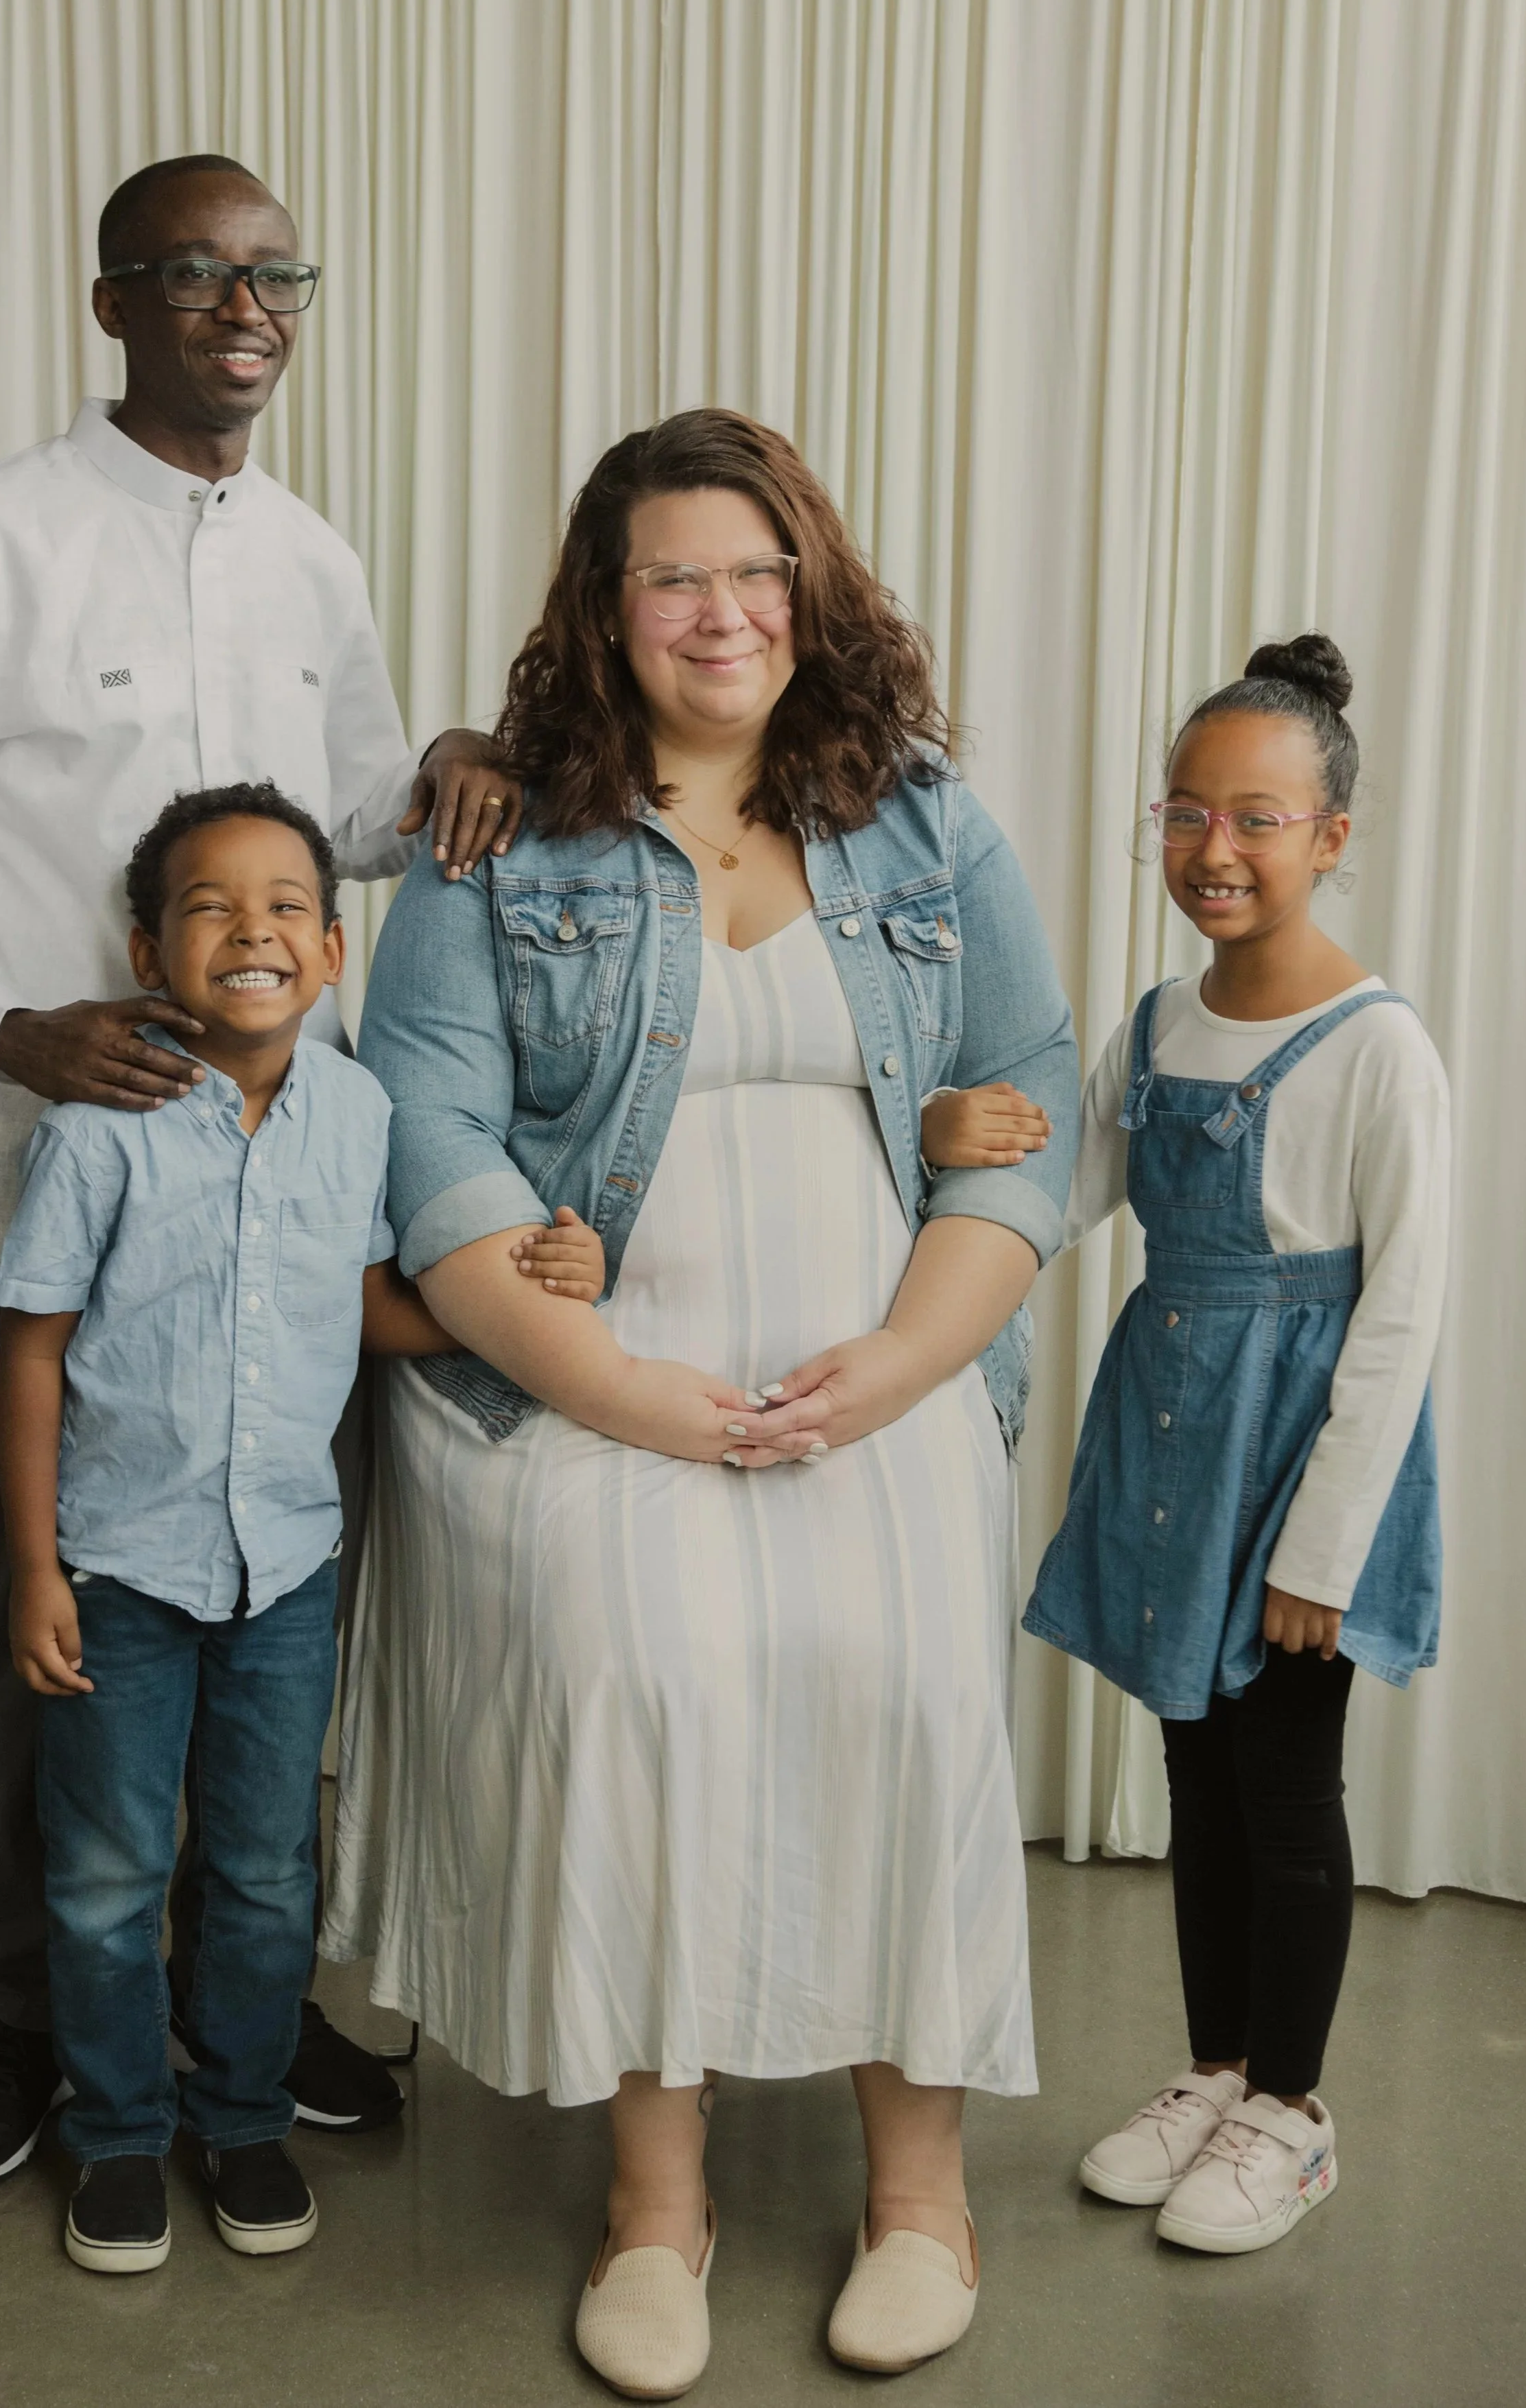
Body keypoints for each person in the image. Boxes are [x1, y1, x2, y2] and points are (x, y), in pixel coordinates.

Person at [322, 408, 1080, 2393]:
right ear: (603, 603)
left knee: (892, 1688)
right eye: (674, 573)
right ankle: (658, 2203)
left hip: (875, 1361)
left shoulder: (924, 818)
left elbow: (1032, 1102)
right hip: (590, 1374)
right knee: (644, 1680)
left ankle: (921, 2194)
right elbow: (435, 1145)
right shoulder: (504, 839)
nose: (722, 611)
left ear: (810, 589)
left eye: (757, 570)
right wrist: (630, 1394)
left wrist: (904, 1365)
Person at [0, 151, 524, 2191]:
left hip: (283, 1209)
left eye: (275, 276)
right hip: (58, 1188)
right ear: (111, 299)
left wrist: (461, 769)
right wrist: (1, 1020)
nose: (248, 308)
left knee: (269, 1609)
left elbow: (344, 829)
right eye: (200, 273)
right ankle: (28, 2014)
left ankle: (250, 2004)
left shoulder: (313, 558)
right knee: (35, 1621)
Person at [0, 783, 603, 2274]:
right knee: (109, 1870)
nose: (249, 931)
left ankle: (244, 2116)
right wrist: (31, 1572)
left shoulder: (360, 1112)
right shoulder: (99, 1127)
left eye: (282, 908)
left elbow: (372, 1308)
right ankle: (121, 2136)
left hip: (283, 1569)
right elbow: (30, 1349)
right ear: (149, 950)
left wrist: (524, 1289)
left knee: (266, 1865)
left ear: (332, 953)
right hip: (119, 1563)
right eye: (209, 908)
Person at [933, 635, 1448, 2256]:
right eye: (1183, 813)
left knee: (1287, 1789)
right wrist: (943, 1133)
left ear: (1330, 836)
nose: (1212, 851)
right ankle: (1216, 2072)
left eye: (1258, 819)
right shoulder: (1158, 1020)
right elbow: (1060, 1194)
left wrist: (1322, 1547)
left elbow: (1402, 1320)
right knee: (1194, 1774)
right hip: (1169, 1436)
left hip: (1296, 1459)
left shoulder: (1379, 1048)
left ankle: (1291, 2117)